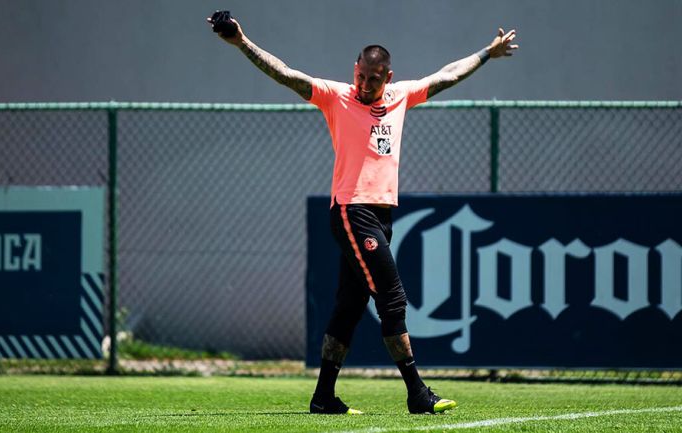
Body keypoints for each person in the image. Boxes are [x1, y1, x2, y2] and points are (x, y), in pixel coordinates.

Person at [208, 12, 518, 415]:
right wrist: (242, 42)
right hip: (353, 210)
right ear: (355, 70)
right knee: (393, 298)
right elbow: (286, 73)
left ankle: (323, 397)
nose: (366, 84)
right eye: (362, 75)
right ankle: (417, 393)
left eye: (375, 78)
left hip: (380, 215)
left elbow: (447, 75)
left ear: (388, 77)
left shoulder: (400, 96)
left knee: (349, 307)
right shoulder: (336, 96)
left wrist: (486, 53)